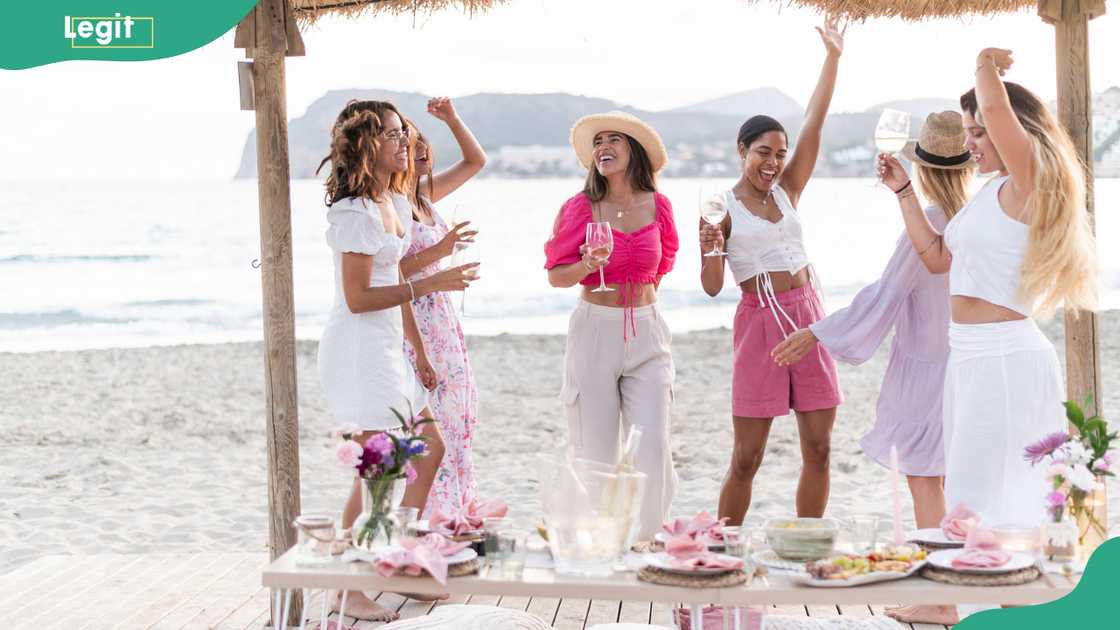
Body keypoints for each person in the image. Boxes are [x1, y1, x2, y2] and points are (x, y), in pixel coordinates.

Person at [877, 49, 1097, 626]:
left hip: (1005, 357)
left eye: (979, 131)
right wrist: (904, 193)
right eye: (969, 132)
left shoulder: (1030, 182)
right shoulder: (988, 192)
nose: (971, 142)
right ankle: (951, 599)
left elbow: (998, 107)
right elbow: (939, 259)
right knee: (971, 489)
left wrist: (981, 67)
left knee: (998, 495)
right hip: (971, 359)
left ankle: (972, 603)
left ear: (1011, 131)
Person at [771, 112, 976, 530]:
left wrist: (818, 330)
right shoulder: (971, 218)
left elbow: (886, 294)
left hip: (926, 370)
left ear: (921, 167)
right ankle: (954, 583)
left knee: (924, 478)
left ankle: (937, 592)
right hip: (968, 363)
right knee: (955, 478)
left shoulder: (929, 223)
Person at [315, 99, 478, 621]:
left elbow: (396, 272)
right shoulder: (353, 213)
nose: (404, 140)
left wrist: (437, 259)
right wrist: (432, 282)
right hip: (361, 352)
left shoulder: (392, 200)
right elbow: (359, 296)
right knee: (379, 474)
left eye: (402, 132)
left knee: (429, 451)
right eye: (391, 134)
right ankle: (345, 587)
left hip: (388, 347)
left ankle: (397, 558)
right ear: (366, 145)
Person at [699, 16, 846, 525]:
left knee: (820, 449)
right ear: (742, 151)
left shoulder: (790, 189)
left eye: (780, 154)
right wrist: (711, 248)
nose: (773, 162)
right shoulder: (719, 205)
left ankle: (807, 546)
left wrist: (833, 58)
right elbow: (713, 287)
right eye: (763, 152)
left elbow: (815, 120)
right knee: (747, 457)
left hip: (808, 317)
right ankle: (722, 551)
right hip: (759, 322)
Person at [544, 111, 679, 538]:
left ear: (633, 150)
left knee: (652, 446)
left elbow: (665, 263)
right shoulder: (579, 208)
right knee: (595, 449)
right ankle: (595, 541)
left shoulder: (658, 205)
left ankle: (644, 542)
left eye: (613, 139)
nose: (603, 147)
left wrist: (636, 301)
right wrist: (587, 263)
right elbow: (556, 274)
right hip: (594, 330)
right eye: (598, 141)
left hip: (647, 329)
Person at [399, 97, 487, 518]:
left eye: (422, 143)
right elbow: (388, 271)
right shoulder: (392, 203)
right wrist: (442, 248)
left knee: (458, 415)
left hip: (442, 315)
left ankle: (452, 512)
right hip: (411, 316)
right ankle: (431, 517)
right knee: (429, 422)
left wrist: (452, 119)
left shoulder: (424, 194)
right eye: (409, 142)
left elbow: (475, 160)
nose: (420, 150)